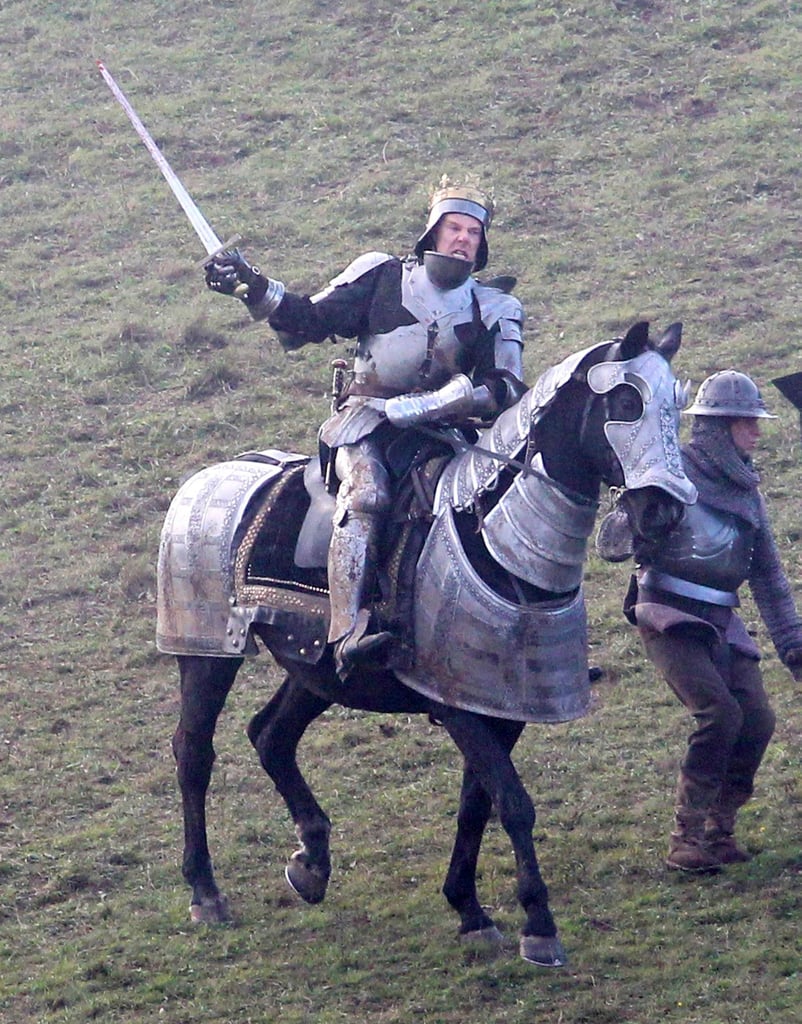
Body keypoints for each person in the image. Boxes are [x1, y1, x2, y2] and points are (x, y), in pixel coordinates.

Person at [204, 177, 526, 678]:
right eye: (454, 228)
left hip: (449, 433)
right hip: (366, 424)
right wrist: (254, 286)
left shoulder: (497, 307)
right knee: (367, 493)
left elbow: (504, 386)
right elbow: (308, 321)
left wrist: (434, 404)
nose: (463, 238)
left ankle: (524, 637)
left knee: (510, 502)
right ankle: (345, 629)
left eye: (473, 232)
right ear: (432, 232)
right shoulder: (382, 276)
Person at [623, 370, 802, 872]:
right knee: (719, 714)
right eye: (748, 423)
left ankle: (718, 829)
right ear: (721, 427)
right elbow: (622, 538)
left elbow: (768, 577)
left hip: (721, 619)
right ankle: (686, 836)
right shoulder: (671, 472)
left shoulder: (748, 492)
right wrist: (641, 517)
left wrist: (793, 644)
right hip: (666, 613)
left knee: (759, 720)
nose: (757, 432)